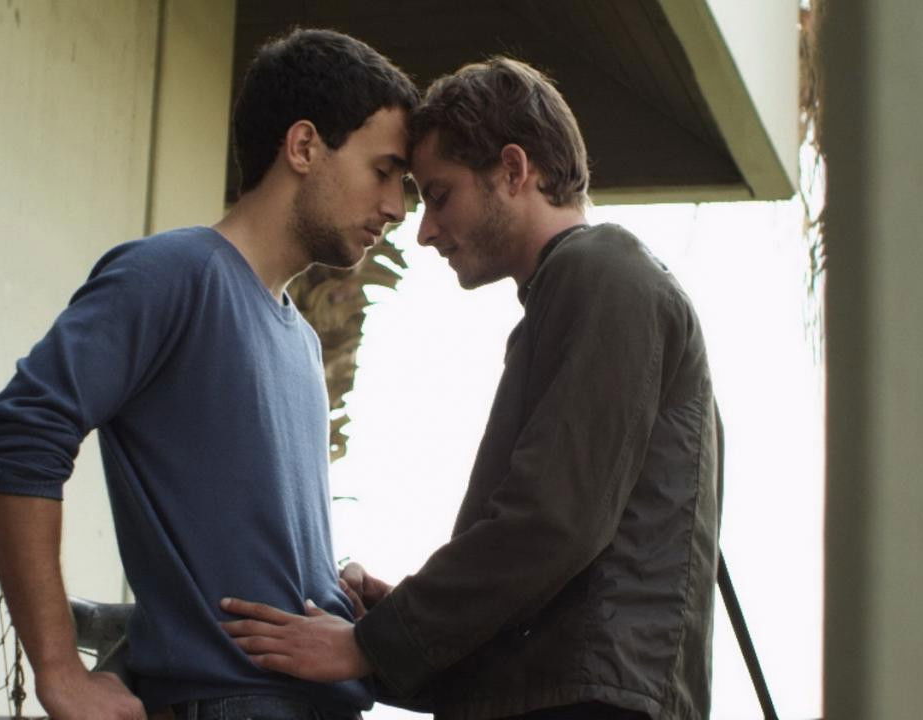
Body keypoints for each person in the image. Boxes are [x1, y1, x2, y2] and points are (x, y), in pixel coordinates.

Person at [219, 57, 723, 720]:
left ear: (513, 170)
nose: (424, 229)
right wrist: (395, 619)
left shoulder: (603, 274)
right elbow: (554, 556)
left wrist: (371, 643)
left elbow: (551, 523)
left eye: (439, 195)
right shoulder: (579, 290)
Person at [0, 29, 418, 720]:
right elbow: (18, 431)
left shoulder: (301, 340)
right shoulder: (174, 273)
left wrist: (329, 584)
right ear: (303, 147)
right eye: (383, 171)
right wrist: (60, 670)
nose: (396, 206)